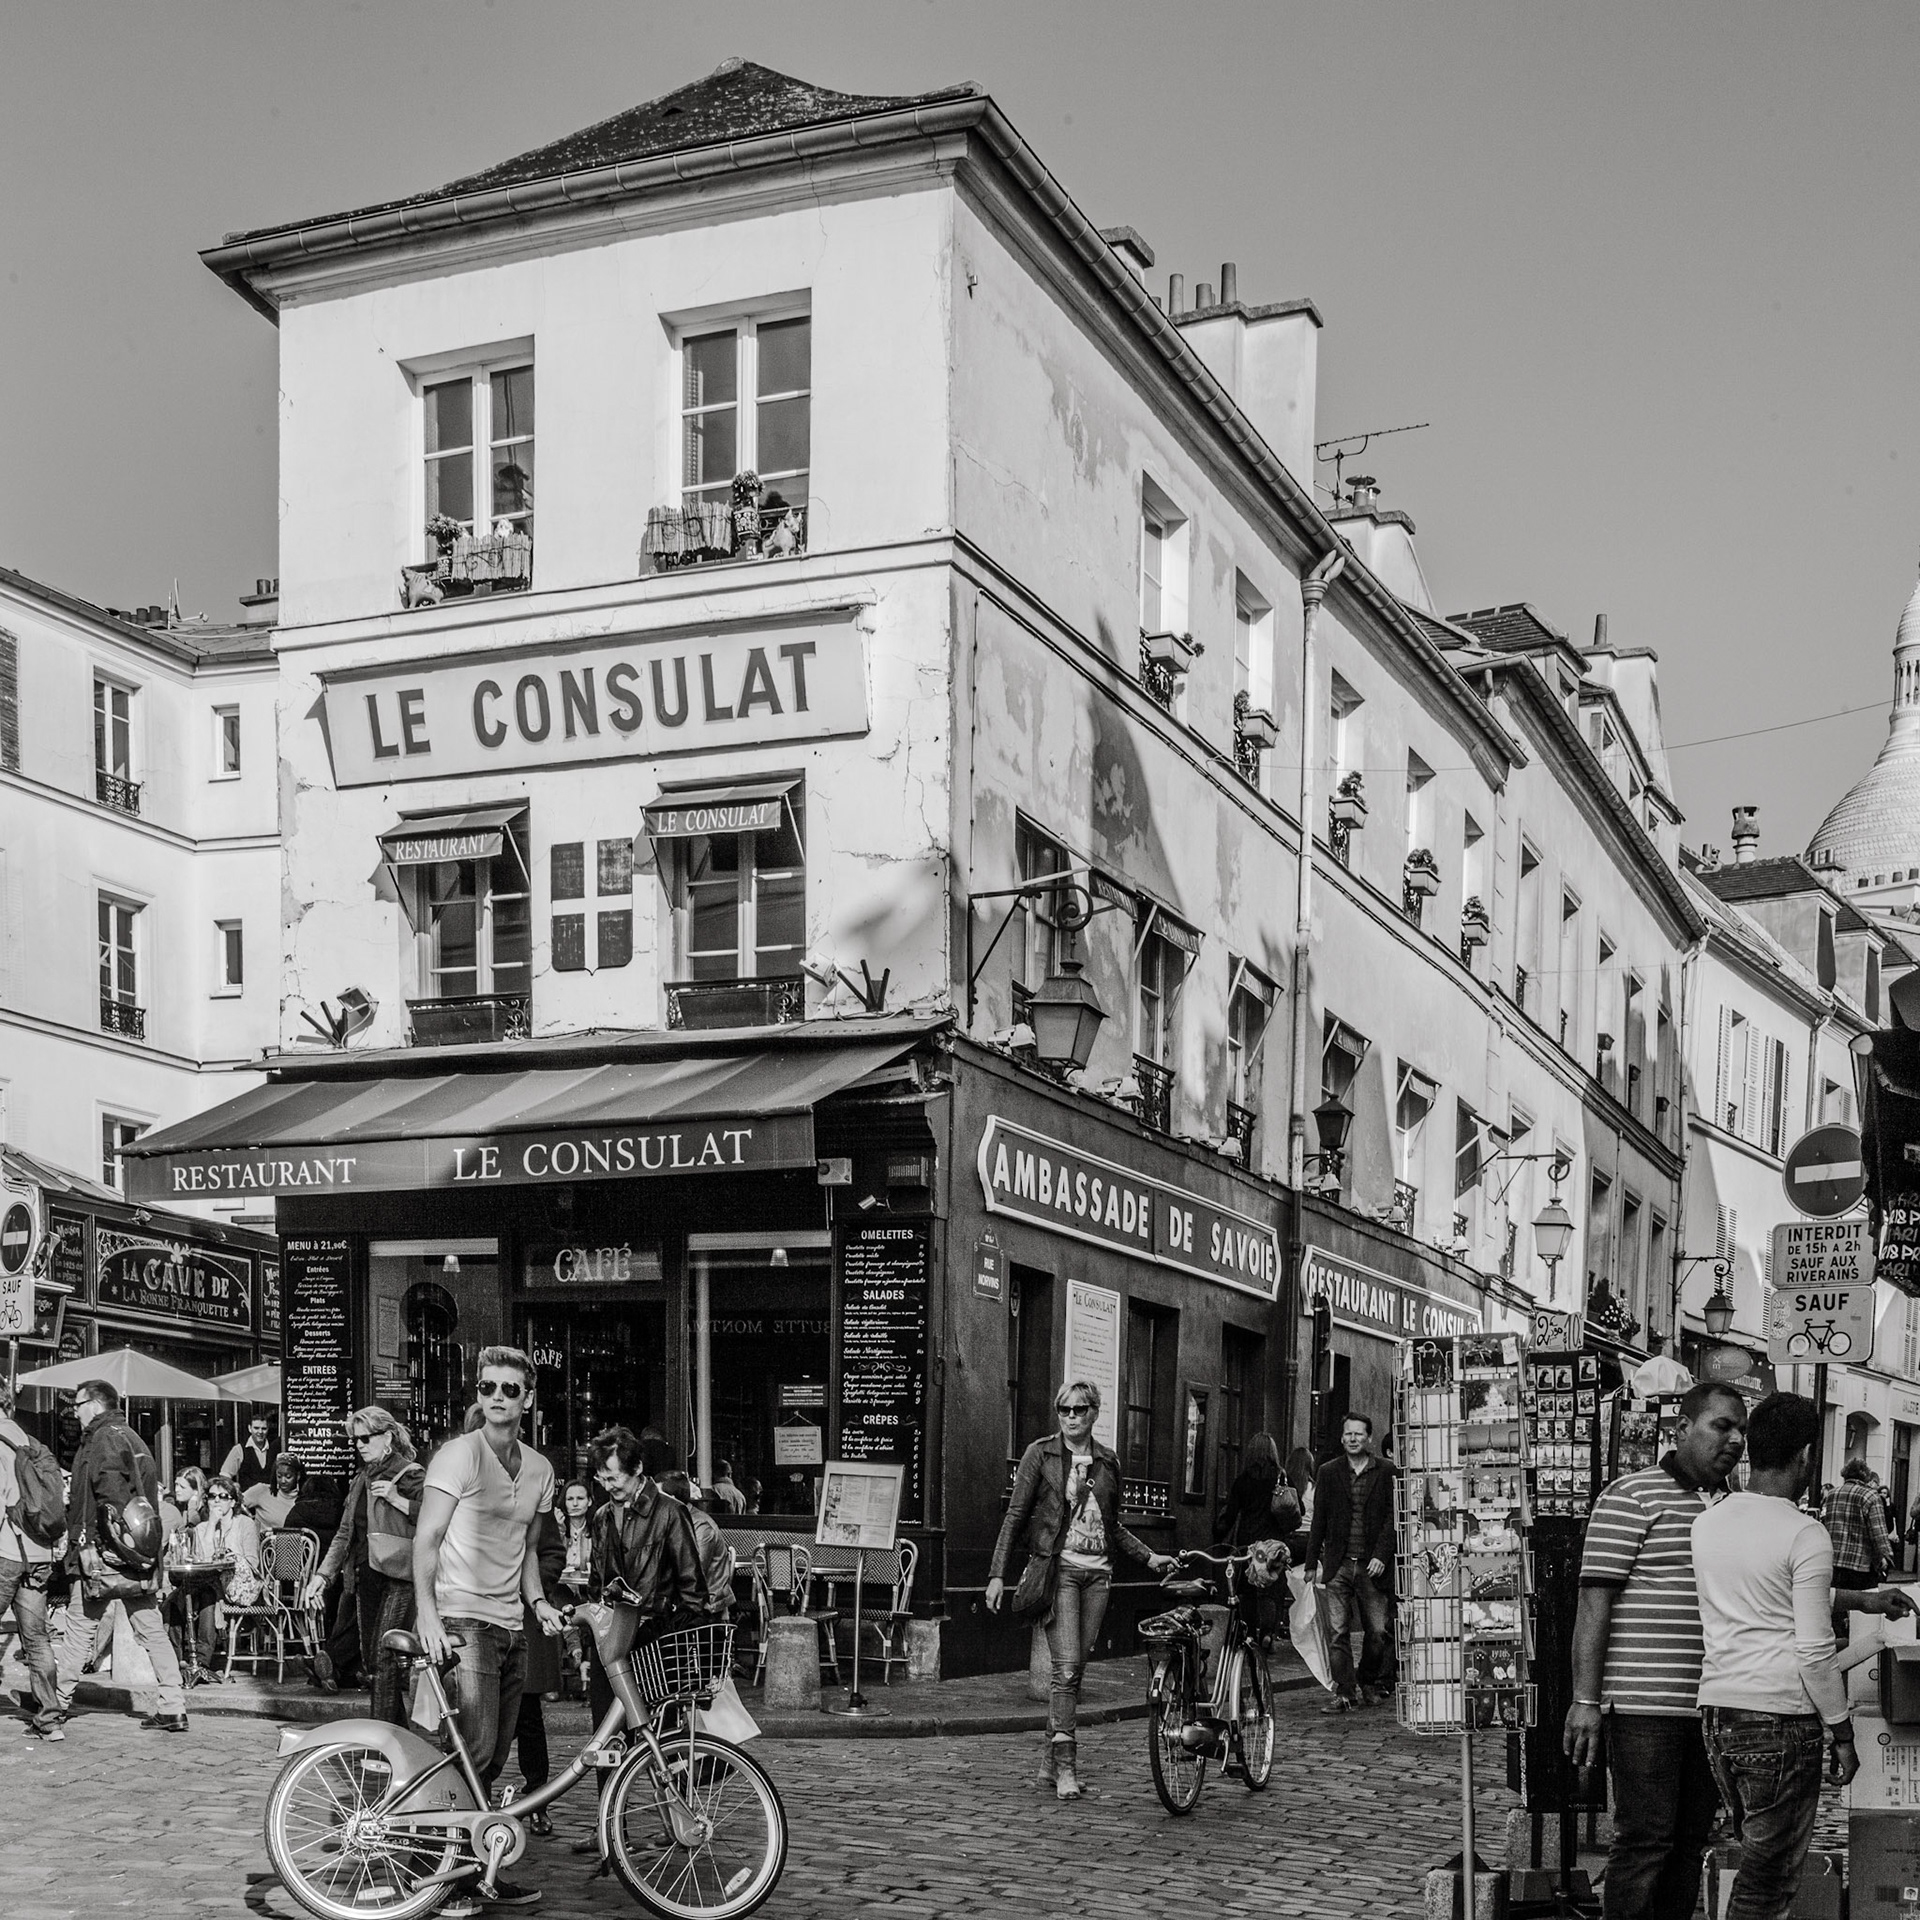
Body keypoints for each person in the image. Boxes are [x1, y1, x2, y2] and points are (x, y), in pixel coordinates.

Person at [1693, 1394, 1913, 1920]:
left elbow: (1767, 1593)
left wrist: (1861, 1599)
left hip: (1721, 1715)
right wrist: (1841, 1732)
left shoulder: (1709, 1523)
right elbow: (1814, 1651)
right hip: (1779, 1719)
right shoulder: (1803, 1533)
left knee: (1756, 1860)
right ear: (1807, 1454)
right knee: (1767, 1884)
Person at [413, 1348, 562, 1916]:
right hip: (461, 1617)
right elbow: (426, 1540)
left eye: (509, 1388)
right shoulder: (459, 1456)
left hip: (511, 1622)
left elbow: (525, 1547)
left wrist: (539, 1602)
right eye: (487, 1387)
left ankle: (471, 1872)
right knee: (473, 1747)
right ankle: (437, 1875)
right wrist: (428, 1615)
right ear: (478, 1394)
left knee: (496, 1753)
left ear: (528, 1397)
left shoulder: (541, 1469)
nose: (497, 1396)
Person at [986, 1379, 1174, 1801]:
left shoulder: (1109, 1461)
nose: (1072, 1417)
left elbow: (1113, 1525)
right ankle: (1067, 1768)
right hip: (1061, 1574)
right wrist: (997, 1573)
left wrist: (1149, 1557)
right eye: (1064, 1410)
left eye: (1080, 1410)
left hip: (1099, 1578)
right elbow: (1015, 1516)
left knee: (1074, 1671)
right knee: (1066, 1669)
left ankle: (1047, 1765)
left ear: (1095, 1412)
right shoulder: (1041, 1454)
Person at [572, 1425, 708, 1858]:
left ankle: (679, 1820)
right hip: (611, 1638)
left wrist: (675, 1643)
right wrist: (585, 1645)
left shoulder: (669, 1512)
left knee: (660, 1740)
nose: (608, 1486)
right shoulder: (599, 1516)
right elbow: (596, 1585)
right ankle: (609, 1828)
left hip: (653, 1638)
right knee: (603, 1739)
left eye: (615, 1478)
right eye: (601, 1478)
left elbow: (693, 1589)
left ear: (638, 1470)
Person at [54, 1379, 188, 1733]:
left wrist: (91, 1549)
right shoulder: (131, 1436)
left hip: (104, 1560)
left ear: (94, 1405)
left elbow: (112, 1503)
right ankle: (173, 1706)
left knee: (79, 1629)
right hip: (138, 1560)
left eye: (77, 1405)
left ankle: (56, 1705)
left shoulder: (102, 1440)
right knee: (151, 1631)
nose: (74, 1412)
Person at [307, 1407, 423, 1723]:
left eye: (366, 1438)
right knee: (375, 1661)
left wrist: (399, 1500)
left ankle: (383, 1740)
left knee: (385, 1657)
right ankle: (397, 1738)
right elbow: (345, 1533)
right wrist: (322, 1575)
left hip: (399, 1577)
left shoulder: (410, 1473)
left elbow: (438, 1519)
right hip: (363, 1577)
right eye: (355, 1439)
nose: (359, 1444)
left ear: (387, 1436)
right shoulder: (361, 1479)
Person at [1303, 1414, 1396, 1713]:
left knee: (1378, 1632)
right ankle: (1344, 1691)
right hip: (1339, 1563)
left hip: (1372, 1564)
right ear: (1342, 1438)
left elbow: (1393, 1519)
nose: (1353, 1439)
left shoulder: (1386, 1471)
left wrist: (1382, 1555)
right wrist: (1310, 1563)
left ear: (1369, 1438)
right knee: (1337, 1631)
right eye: (1348, 1434)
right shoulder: (1329, 1472)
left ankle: (1367, 1679)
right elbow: (1319, 1519)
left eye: (1359, 1434)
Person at [0, 1386, 65, 1740]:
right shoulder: (28, 1440)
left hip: (8, 1551)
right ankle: (50, 1720)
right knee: (37, 1639)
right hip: (39, 1553)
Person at [184, 1476, 262, 1672]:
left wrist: (229, 1560)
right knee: (179, 1598)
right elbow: (203, 1559)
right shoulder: (202, 1527)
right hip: (208, 1584)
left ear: (233, 1501)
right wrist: (212, 1523)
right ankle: (180, 1658)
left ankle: (200, 1661)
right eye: (211, 1496)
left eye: (223, 1496)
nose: (216, 1500)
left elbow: (253, 1562)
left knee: (205, 1594)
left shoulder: (244, 1523)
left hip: (237, 1588)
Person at [1823, 1459, 1893, 1637]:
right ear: (1865, 1476)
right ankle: (1858, 1645)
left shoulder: (1832, 1494)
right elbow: (1878, 1532)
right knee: (1862, 1610)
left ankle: (1839, 1639)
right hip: (1860, 1564)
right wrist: (1885, 1557)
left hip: (1833, 1561)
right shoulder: (1870, 1496)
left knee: (1837, 1606)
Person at [659, 1470, 733, 1615]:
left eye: (658, 1497)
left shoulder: (701, 1526)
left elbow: (693, 1573)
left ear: (672, 1500)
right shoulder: (669, 1520)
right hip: (676, 1600)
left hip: (705, 1606)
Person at [245, 1452, 305, 1529]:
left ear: (298, 1476)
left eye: (288, 1476)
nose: (283, 1481)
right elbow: (236, 1503)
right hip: (264, 1540)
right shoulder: (261, 1491)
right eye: (279, 1476)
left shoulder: (304, 1500)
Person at [220, 1417, 276, 1498]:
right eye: (256, 1428)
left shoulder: (275, 1448)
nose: (260, 1432)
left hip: (270, 1501)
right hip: (247, 1502)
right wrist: (235, 1488)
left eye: (264, 1429)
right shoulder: (239, 1449)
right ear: (249, 1428)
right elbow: (224, 1476)